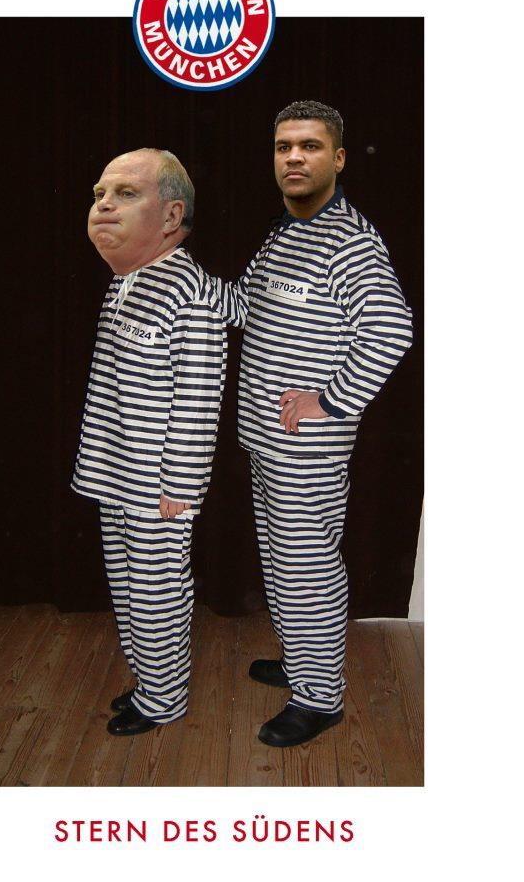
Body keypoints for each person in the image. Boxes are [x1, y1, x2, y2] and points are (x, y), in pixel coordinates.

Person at [206, 100, 413, 748]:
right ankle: (303, 662)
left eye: (310, 146)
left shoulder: (349, 242)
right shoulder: (285, 233)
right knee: (281, 557)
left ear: (338, 158)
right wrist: (181, 278)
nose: (294, 157)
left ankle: (320, 699)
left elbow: (392, 329)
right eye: (283, 147)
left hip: (307, 448)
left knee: (307, 567)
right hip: (266, 438)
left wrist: (330, 401)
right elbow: (245, 305)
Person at [72, 148, 227, 737]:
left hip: (158, 484)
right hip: (116, 469)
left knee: (156, 589)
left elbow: (197, 399)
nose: (104, 205)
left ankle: (163, 698)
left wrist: (180, 486)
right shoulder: (128, 281)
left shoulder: (190, 295)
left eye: (126, 193)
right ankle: (148, 682)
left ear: (171, 216)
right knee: (126, 581)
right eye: (99, 194)